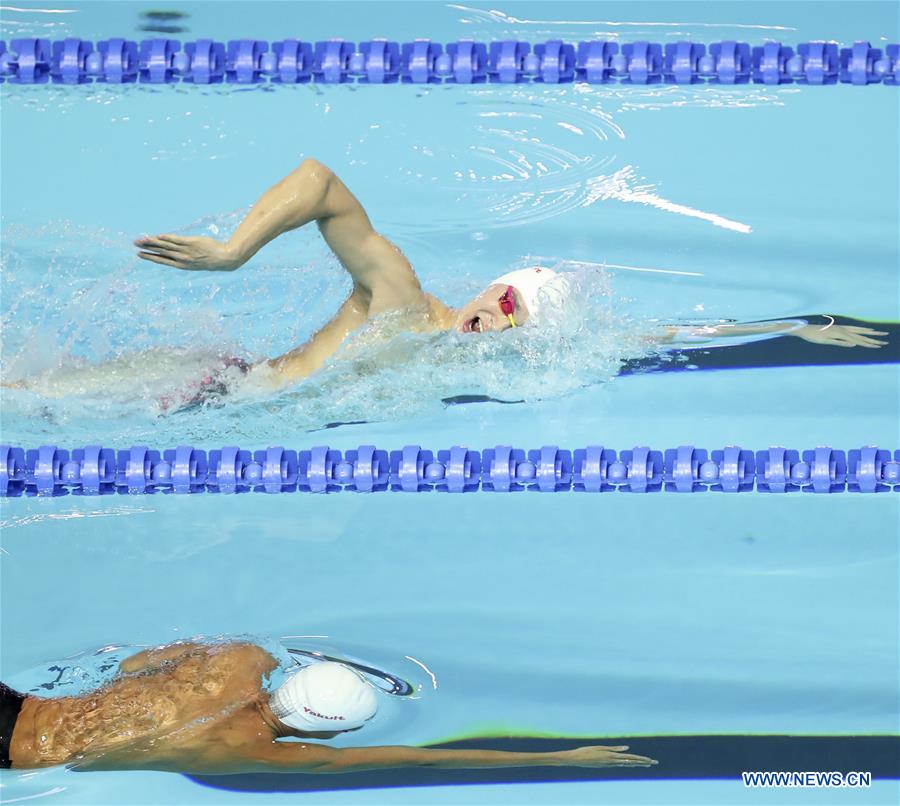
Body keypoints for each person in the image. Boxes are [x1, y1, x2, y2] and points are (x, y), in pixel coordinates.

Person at [132, 158, 889, 402]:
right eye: (500, 294)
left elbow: (645, 338)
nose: (496, 312)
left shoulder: (455, 357)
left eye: (513, 314)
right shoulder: (402, 302)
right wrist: (233, 253)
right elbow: (322, 183)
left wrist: (797, 327)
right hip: (211, 388)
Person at [1, 641, 656, 774]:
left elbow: (134, 664)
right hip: (21, 756)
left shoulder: (240, 658)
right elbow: (411, 761)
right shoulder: (247, 751)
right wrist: (560, 757)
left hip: (22, 702)